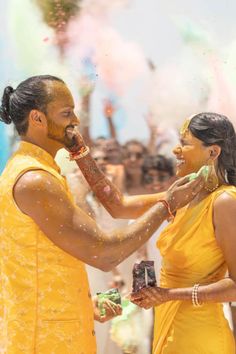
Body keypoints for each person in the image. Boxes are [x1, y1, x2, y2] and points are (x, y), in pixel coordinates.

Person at [0, 75, 203, 354]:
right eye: (66, 113)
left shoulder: (34, 171)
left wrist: (86, 305)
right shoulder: (35, 180)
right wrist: (167, 205)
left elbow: (116, 206)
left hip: (55, 330)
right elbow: (105, 254)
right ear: (37, 119)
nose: (75, 121)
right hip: (47, 340)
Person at [131, 112, 236, 354]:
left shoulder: (224, 201)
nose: (175, 151)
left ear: (213, 152)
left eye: (184, 144)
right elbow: (118, 207)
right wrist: (78, 151)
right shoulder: (182, 197)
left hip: (200, 335)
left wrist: (168, 295)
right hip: (169, 326)